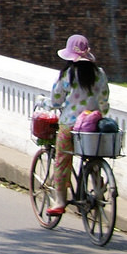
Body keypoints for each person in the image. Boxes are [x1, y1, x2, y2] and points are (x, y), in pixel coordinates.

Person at [47, 33, 111, 215]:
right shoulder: (100, 74)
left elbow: (56, 99)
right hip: (93, 125)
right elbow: (104, 101)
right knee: (92, 157)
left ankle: (60, 201)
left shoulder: (68, 75)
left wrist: (57, 106)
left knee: (62, 160)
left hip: (70, 125)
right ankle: (98, 185)